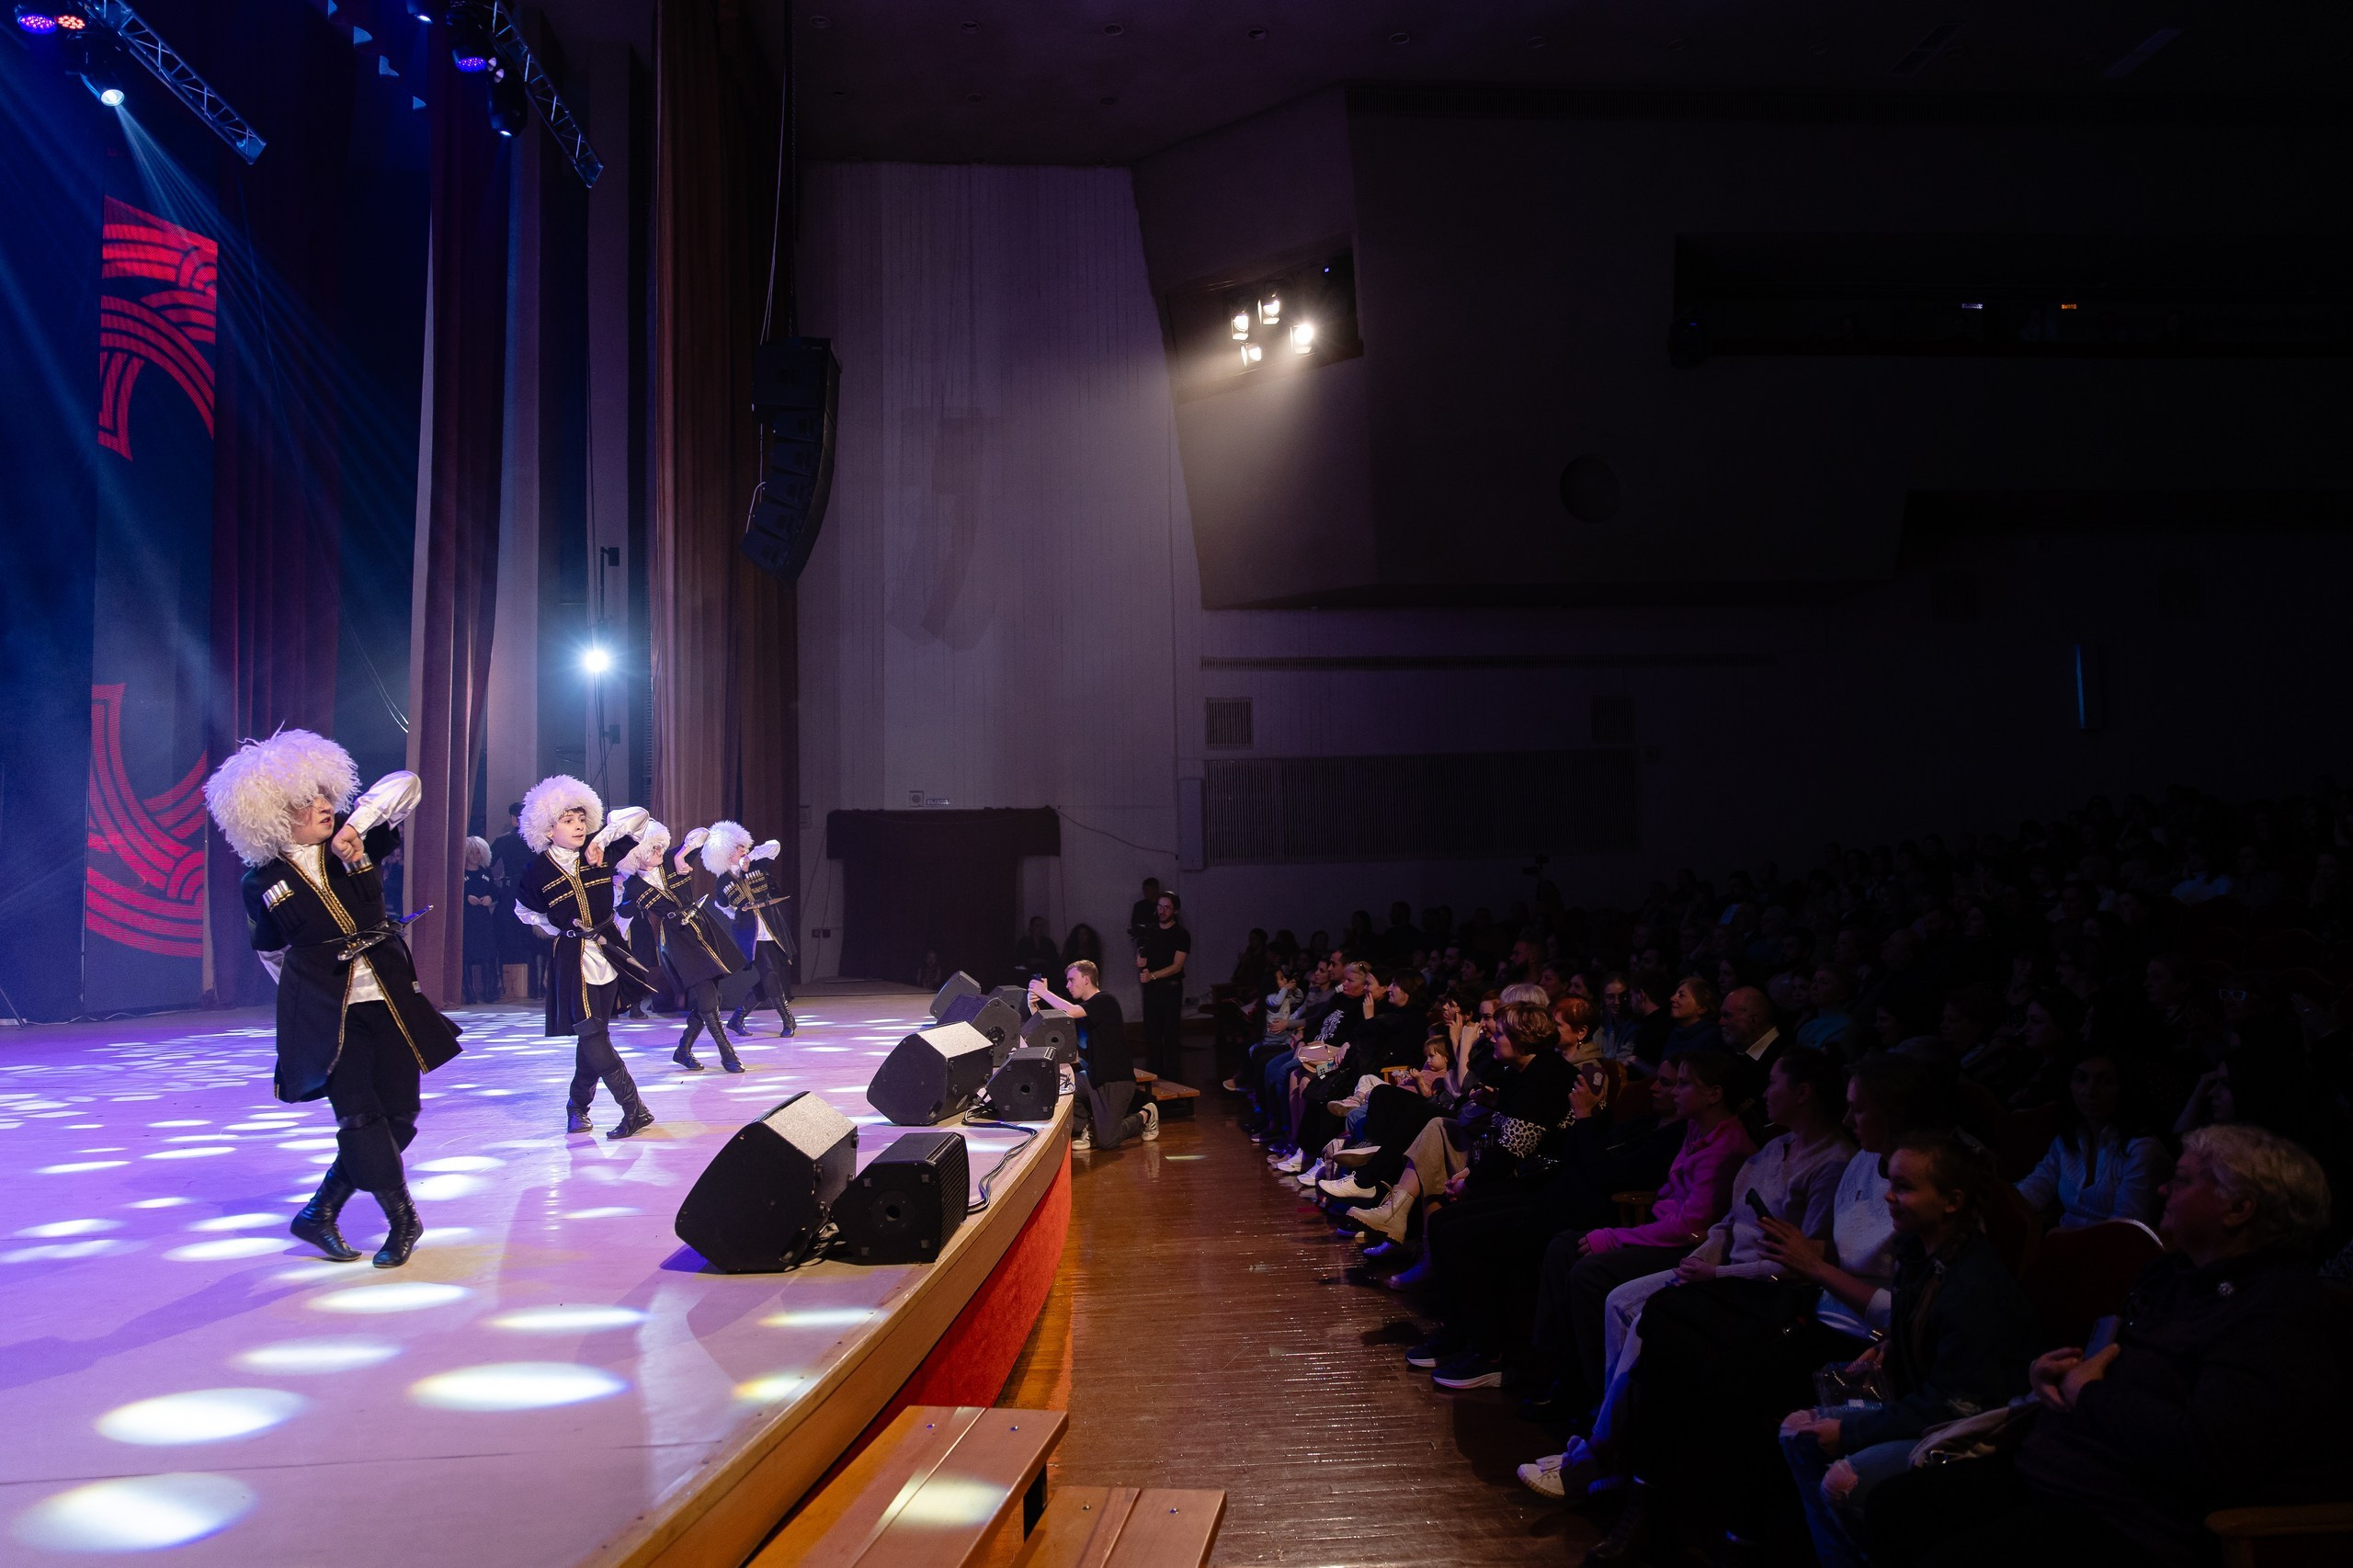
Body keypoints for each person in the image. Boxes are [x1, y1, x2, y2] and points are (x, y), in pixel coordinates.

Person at [1864, 1124, 2346, 1568]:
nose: (2162, 1189)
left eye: (2181, 1181)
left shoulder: (2279, 1314)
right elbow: (2109, 1364)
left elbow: (2205, 1451)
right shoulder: (2172, 1275)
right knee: (1893, 1507)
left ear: (2239, 1209)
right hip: (2063, 1466)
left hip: (2134, 1517)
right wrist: (2051, 1374)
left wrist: (2089, 1394)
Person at [203, 731, 462, 1268]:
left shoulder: (354, 841)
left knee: (402, 1115)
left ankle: (320, 1211)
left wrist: (358, 825)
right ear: (272, 815)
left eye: (325, 795)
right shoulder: (262, 882)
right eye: (307, 801)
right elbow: (272, 954)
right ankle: (404, 1220)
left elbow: (408, 785)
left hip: (389, 1001)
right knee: (360, 1118)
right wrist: (311, 997)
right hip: (328, 1011)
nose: (323, 805)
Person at [1774, 1130, 2040, 1568]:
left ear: (1952, 1202)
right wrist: (1897, 1346)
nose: (1889, 1198)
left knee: (1844, 1481)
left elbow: (1957, 1405)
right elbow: (1924, 1326)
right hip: (1929, 1406)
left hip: (1974, 1431)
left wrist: (1850, 1433)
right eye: (1890, 1183)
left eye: (1904, 1187)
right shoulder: (1918, 1251)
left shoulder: (1975, 1286)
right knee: (1796, 1433)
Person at [512, 775, 660, 1139]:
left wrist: (605, 838)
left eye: (581, 819)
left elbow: (641, 817)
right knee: (591, 1033)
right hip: (572, 957)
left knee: (595, 1036)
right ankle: (634, 1109)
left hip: (608, 951)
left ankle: (577, 1107)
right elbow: (524, 911)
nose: (578, 826)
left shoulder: (600, 851)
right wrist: (559, 928)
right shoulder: (536, 871)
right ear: (548, 829)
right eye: (568, 820)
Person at [617, 822, 747, 1073]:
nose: (658, 850)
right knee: (708, 999)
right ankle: (727, 1053)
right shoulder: (632, 885)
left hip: (702, 930)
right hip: (676, 941)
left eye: (659, 846)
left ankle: (683, 1050)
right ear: (636, 855)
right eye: (652, 848)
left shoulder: (669, 859)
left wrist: (681, 854)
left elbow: (703, 834)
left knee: (712, 996)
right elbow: (622, 915)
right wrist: (624, 899)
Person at [2016, 1049, 2169, 1229]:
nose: (2090, 1091)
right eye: (2081, 1079)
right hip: (2062, 1247)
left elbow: (2125, 1230)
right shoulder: (2070, 1139)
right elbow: (2034, 1190)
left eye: (2106, 1082)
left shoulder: (2141, 1150)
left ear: (2125, 1087)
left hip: (2112, 1252)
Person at [1030, 959, 1155, 1151]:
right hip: (1093, 1079)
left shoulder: (1105, 1001)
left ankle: (1146, 1114)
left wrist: (1044, 992)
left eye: (1072, 980)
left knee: (1107, 1142)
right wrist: (1034, 1008)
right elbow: (1051, 1027)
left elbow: (1070, 1011)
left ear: (1087, 979)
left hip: (1115, 1081)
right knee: (1063, 1086)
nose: (1068, 985)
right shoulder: (1084, 1011)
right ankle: (1088, 1127)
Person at [704, 820, 797, 1037]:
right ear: (726, 852)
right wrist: (740, 914)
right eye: (737, 847)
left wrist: (751, 858)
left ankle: (737, 1019)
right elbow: (722, 906)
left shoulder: (756, 863)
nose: (743, 849)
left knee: (769, 977)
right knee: (770, 973)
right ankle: (788, 1020)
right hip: (750, 934)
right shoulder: (722, 881)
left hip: (772, 928)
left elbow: (775, 845)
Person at [1135, 889, 1191, 1080]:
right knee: (1152, 1034)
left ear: (1174, 910)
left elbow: (1177, 966)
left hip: (1170, 989)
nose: (1162, 911)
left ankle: (1174, 1079)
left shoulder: (1181, 934)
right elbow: (1142, 953)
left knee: (1171, 1034)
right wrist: (1140, 961)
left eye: (1167, 907)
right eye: (1160, 907)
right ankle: (1154, 1078)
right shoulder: (1150, 931)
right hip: (1151, 990)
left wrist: (1153, 976)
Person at [488, 801, 540, 1000]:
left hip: (511, 893)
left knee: (509, 936)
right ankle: (535, 988)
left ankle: (511, 988)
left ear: (512, 819)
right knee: (534, 939)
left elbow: (488, 862)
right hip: (534, 893)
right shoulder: (538, 841)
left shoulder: (503, 841)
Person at [461, 835, 498, 1004]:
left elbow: (495, 891)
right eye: (472, 853)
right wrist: (466, 898)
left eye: (478, 853)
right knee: (466, 956)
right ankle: (469, 994)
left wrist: (490, 897)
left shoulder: (486, 873)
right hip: (467, 920)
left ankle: (490, 992)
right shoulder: (459, 874)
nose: (475, 856)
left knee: (488, 954)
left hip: (484, 919)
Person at [1010, 915, 1061, 983]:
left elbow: (1054, 959)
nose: (1040, 928)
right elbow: (1018, 960)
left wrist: (1042, 961)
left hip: (1045, 974)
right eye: (1037, 925)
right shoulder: (1024, 942)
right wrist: (1029, 962)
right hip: (1027, 975)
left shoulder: (1048, 943)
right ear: (1031, 927)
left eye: (1042, 926)